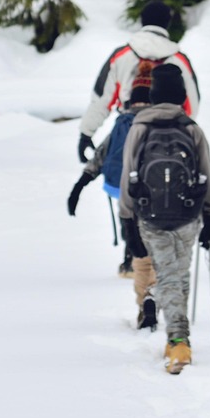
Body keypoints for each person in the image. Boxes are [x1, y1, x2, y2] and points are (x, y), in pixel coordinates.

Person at [119, 63, 210, 373]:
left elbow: (128, 175)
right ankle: (178, 337)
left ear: (153, 96)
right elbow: (207, 174)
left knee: (167, 275)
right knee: (179, 273)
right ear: (180, 95)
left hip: (150, 216)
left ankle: (178, 340)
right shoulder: (191, 128)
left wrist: (127, 219)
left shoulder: (139, 128)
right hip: (188, 214)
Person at [77, 0, 200, 166]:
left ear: (142, 21)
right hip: (169, 136)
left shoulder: (121, 55)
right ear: (167, 23)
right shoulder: (179, 60)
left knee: (125, 184)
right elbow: (192, 105)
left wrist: (86, 133)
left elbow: (102, 98)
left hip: (129, 131)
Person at [68, 66, 154, 278]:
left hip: (120, 185)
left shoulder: (122, 123)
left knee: (129, 221)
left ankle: (130, 262)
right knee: (147, 225)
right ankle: (146, 264)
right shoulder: (157, 122)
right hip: (151, 188)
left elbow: (102, 154)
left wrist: (80, 184)